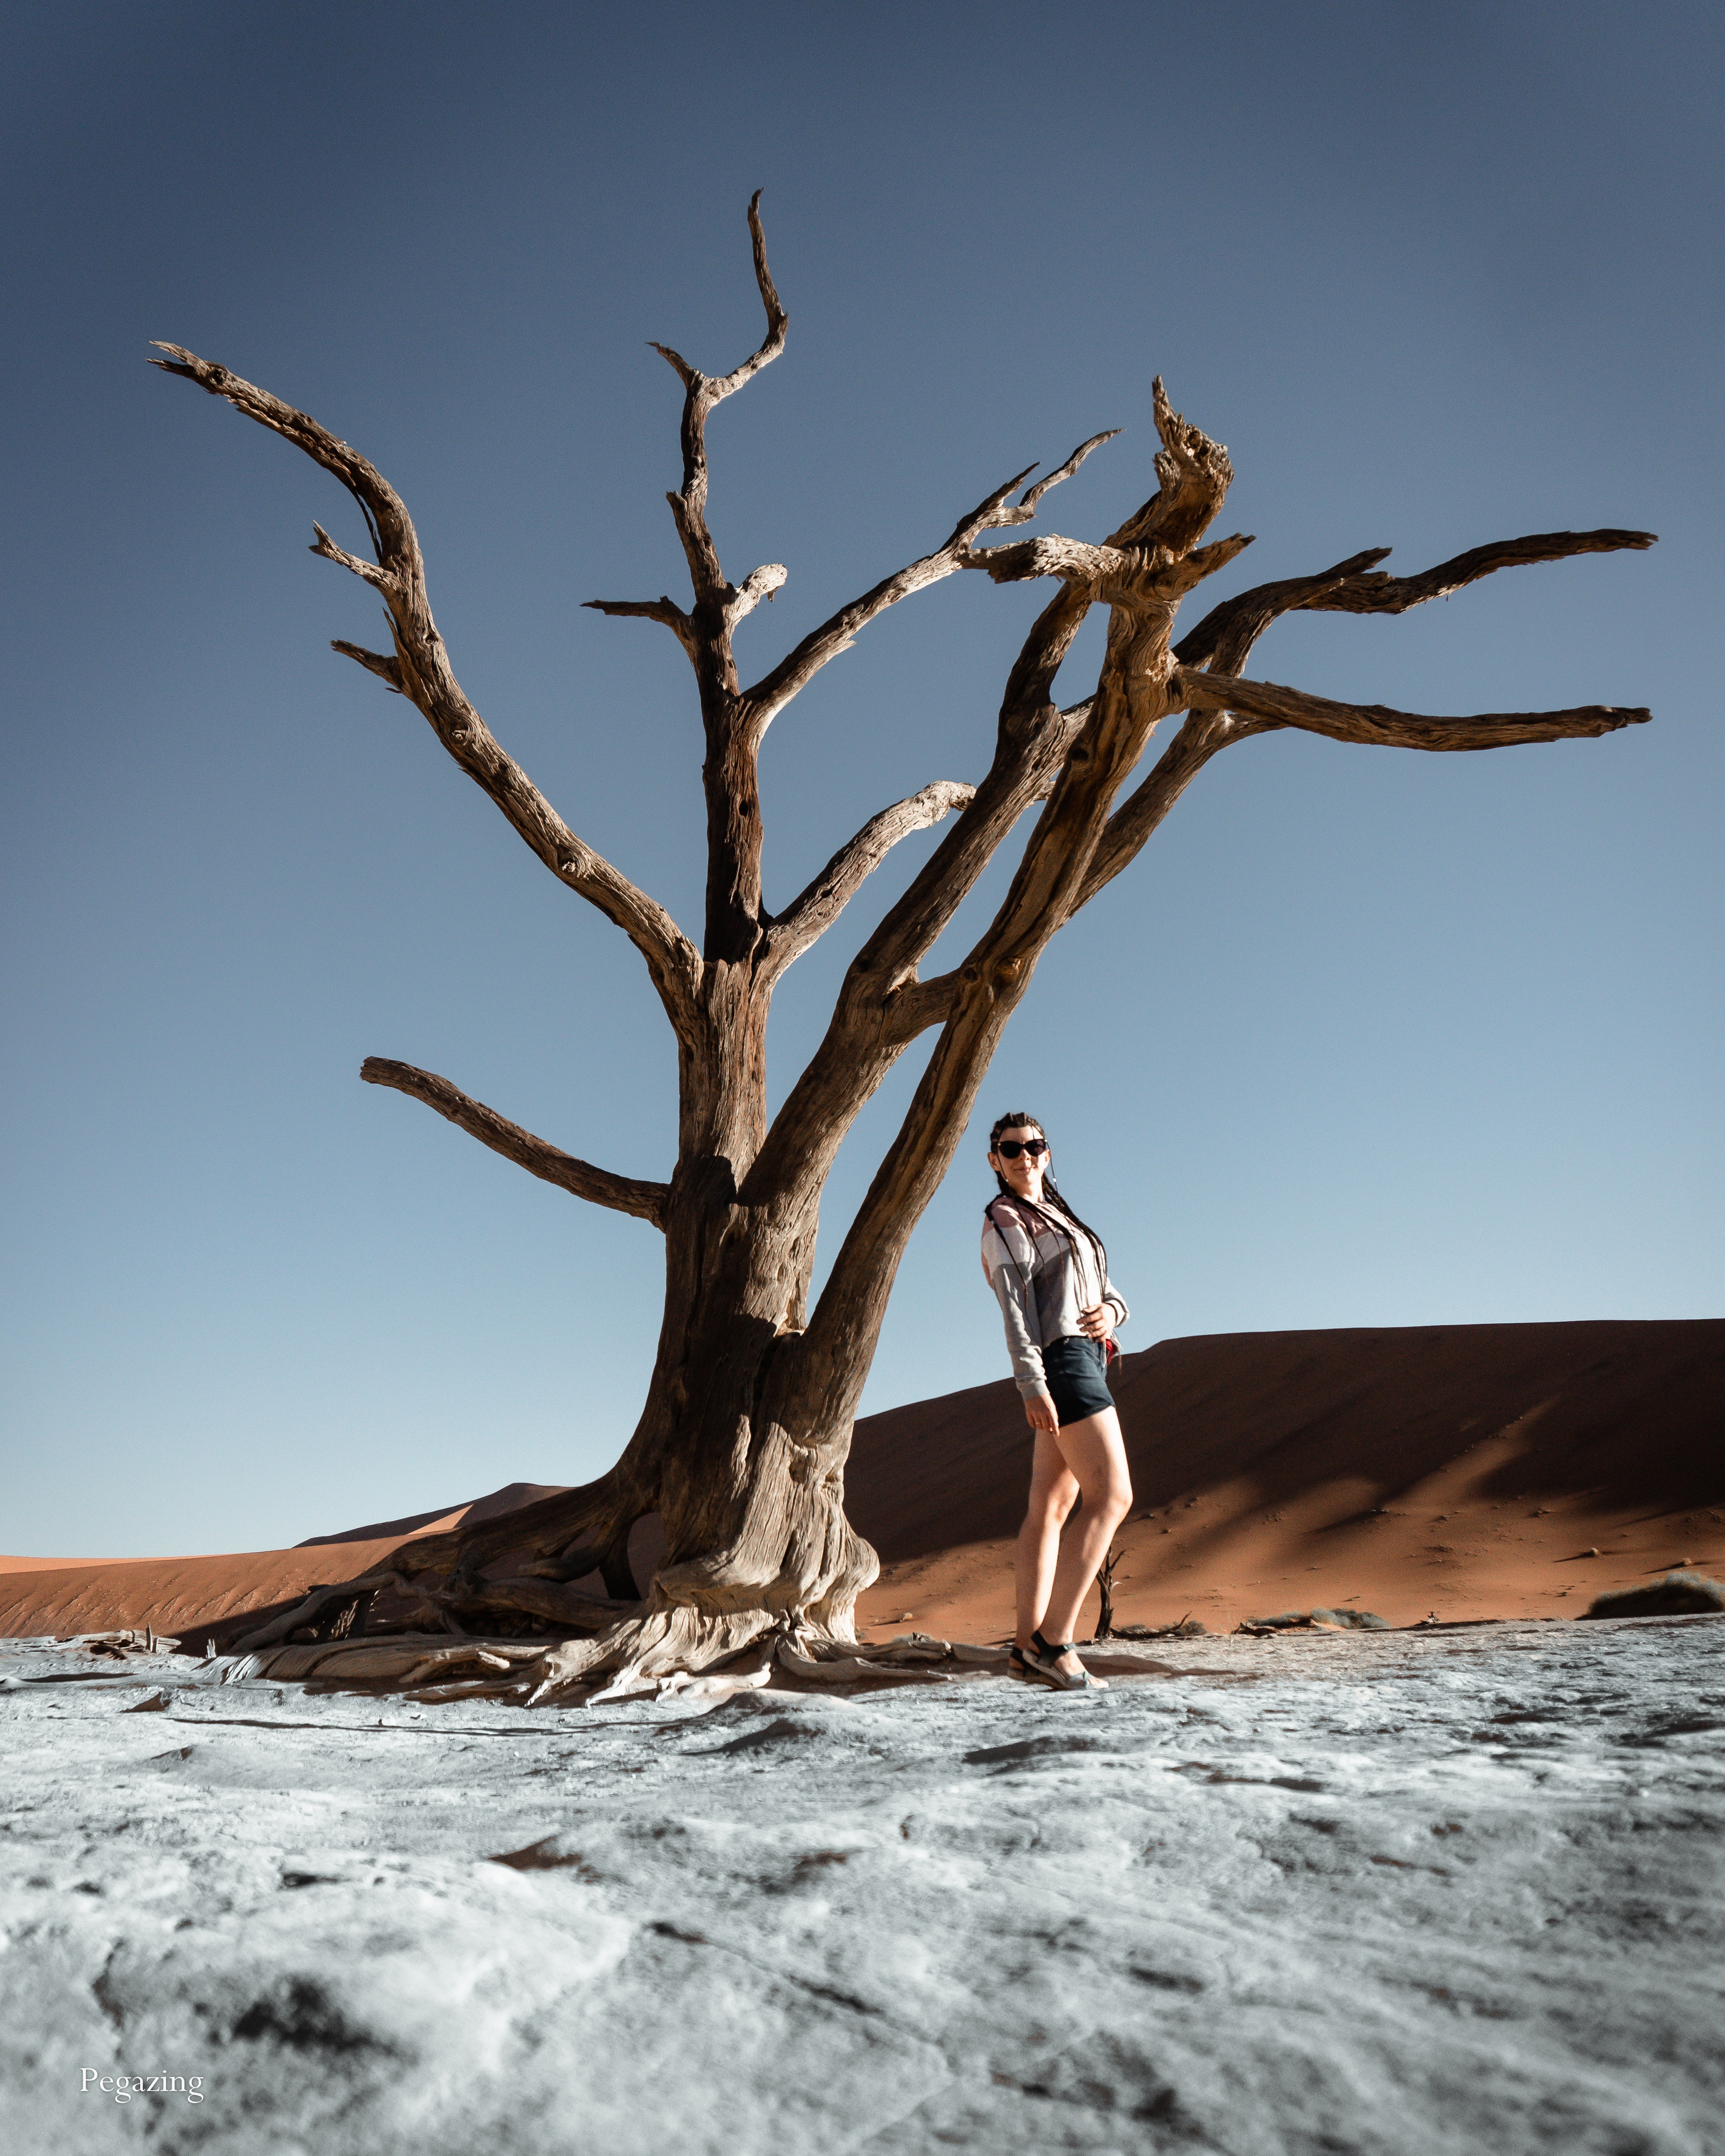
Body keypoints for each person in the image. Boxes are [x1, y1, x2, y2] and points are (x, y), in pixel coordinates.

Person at [981, 1113, 1133, 1691]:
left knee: (1050, 1503)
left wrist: (1112, 1312)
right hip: (1061, 1361)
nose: (1024, 1156)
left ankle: (1025, 1650)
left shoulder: (1064, 1217)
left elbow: (1108, 1289)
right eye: (1011, 1149)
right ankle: (1055, 1641)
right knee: (1112, 1495)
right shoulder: (1004, 1219)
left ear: (1047, 1153)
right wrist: (1032, 1384)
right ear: (995, 1161)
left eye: (1034, 1146)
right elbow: (1015, 1312)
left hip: (1090, 1354)